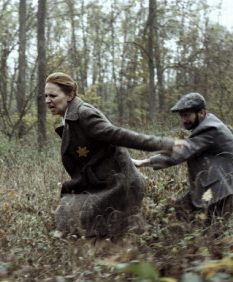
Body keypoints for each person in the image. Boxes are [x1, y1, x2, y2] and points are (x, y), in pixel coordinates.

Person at [45, 72, 188, 239]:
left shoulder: (84, 114)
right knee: (75, 220)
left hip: (118, 185)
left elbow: (120, 135)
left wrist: (166, 144)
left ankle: (162, 241)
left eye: (53, 95)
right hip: (102, 184)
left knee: (90, 226)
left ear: (70, 95)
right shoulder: (70, 118)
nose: (48, 100)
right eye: (46, 96)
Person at [133, 92, 233, 226]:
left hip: (229, 184)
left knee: (212, 226)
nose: (184, 120)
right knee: (179, 210)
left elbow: (182, 152)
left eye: (187, 115)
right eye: (182, 116)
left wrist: (143, 162)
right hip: (216, 182)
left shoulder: (210, 129)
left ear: (201, 113)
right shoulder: (207, 125)